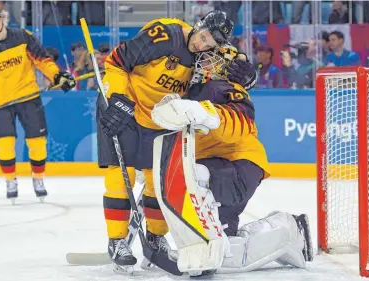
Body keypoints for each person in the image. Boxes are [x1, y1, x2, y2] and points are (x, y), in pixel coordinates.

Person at [96, 10, 256, 273]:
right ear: (198, 25)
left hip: (160, 118)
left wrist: (249, 77)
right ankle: (116, 241)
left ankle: (155, 239)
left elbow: (234, 73)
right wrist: (118, 98)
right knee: (119, 175)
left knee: (156, 182)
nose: (201, 45)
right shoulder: (165, 35)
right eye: (202, 37)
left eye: (209, 44)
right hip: (124, 107)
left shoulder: (209, 56)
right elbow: (116, 62)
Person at [151, 45, 313, 275]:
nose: (202, 62)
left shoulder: (226, 87)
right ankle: (286, 227)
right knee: (225, 252)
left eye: (209, 58)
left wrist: (207, 114)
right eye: (202, 58)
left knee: (192, 176)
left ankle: (287, 231)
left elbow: (241, 119)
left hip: (239, 165)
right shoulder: (189, 90)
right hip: (216, 167)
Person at [0, 7, 75, 203]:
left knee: (37, 143)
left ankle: (38, 179)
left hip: (29, 97)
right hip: (1, 104)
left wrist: (57, 75)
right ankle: (10, 181)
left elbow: (42, 60)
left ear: (1, 18)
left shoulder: (23, 36)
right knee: (4, 145)